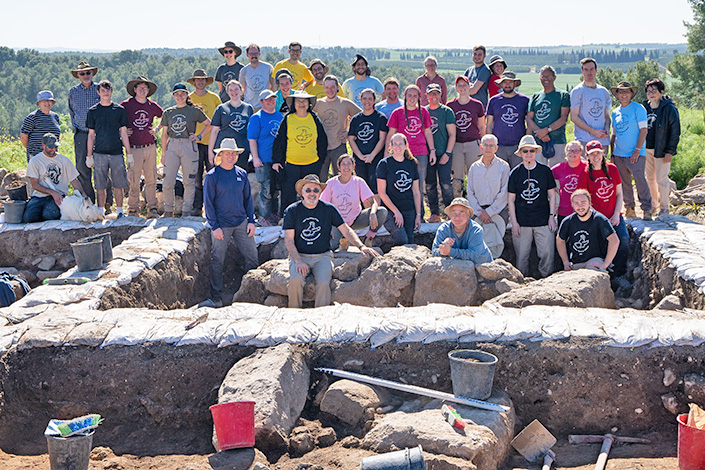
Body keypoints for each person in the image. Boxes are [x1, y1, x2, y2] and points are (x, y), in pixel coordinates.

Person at [283, 174, 379, 308]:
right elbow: (288, 239)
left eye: (315, 190)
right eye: (308, 190)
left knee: (323, 282)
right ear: (302, 192)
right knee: (295, 280)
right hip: (300, 255)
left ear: (320, 192)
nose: (312, 193)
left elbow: (346, 230)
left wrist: (361, 246)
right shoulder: (292, 211)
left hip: (323, 256)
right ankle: (293, 313)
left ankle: (321, 316)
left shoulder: (328, 209)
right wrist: (298, 260)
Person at [203, 138, 258, 308]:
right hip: (222, 225)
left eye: (233, 153)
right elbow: (208, 203)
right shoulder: (212, 176)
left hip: (241, 222)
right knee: (217, 259)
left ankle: (251, 292)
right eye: (227, 153)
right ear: (221, 154)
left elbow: (248, 199)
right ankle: (216, 296)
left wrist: (251, 220)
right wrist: (215, 226)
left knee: (252, 256)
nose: (230, 156)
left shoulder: (241, 174)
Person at [577, 140, 630, 286]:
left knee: (623, 241)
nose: (595, 156)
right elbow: (584, 200)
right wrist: (599, 219)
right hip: (596, 218)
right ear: (587, 156)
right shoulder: (585, 174)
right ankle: (602, 276)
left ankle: (619, 274)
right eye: (592, 154)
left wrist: (616, 213)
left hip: (614, 215)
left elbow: (619, 194)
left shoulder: (612, 169)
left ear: (602, 153)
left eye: (598, 153)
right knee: (599, 247)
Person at [507, 135, 558, 278]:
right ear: (521, 153)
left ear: (536, 152)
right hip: (522, 222)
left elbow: (552, 195)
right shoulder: (515, 173)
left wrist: (551, 217)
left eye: (531, 151)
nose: (528, 154)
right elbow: (511, 199)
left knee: (547, 254)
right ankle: (521, 284)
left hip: (543, 219)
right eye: (525, 151)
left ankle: (546, 280)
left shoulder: (545, 171)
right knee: (521, 257)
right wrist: (514, 222)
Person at [160, 83, 211, 217]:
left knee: (189, 181)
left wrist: (199, 136)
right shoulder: (168, 112)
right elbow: (164, 134)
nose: (180, 96)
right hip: (172, 145)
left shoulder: (193, 111)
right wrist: (164, 153)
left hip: (189, 145)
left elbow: (209, 124)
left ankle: (186, 211)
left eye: (182, 93)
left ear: (187, 94)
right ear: (173, 96)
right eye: (177, 94)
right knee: (167, 181)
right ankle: (168, 210)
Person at [272, 91, 328, 211]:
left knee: (311, 193)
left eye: (304, 101)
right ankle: (286, 218)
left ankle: (311, 215)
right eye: (298, 101)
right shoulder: (288, 118)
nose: (301, 103)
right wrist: (277, 161)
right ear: (293, 103)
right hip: (291, 164)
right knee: (288, 193)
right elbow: (279, 141)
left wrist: (320, 160)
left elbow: (322, 140)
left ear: (309, 103)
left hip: (312, 163)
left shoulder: (314, 118)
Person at [320, 154, 388, 249]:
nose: (346, 166)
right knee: (331, 247)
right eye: (343, 164)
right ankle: (343, 239)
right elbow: (322, 206)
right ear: (338, 167)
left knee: (382, 212)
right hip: (337, 223)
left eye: (349, 164)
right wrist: (327, 226)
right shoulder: (331, 183)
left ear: (353, 166)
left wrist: (372, 213)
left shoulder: (358, 182)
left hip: (355, 219)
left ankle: (368, 238)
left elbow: (373, 201)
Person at [85, 80, 131, 218]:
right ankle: (100, 212)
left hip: (117, 152)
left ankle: (120, 211)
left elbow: (123, 132)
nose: (106, 93)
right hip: (99, 152)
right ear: (98, 92)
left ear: (112, 91)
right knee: (100, 185)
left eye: (108, 90)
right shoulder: (93, 111)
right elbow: (91, 134)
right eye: (103, 90)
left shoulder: (119, 110)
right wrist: (89, 155)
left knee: (119, 184)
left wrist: (129, 153)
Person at [120, 76, 163, 218]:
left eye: (145, 88)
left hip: (150, 146)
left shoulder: (152, 105)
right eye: (140, 88)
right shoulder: (126, 105)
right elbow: (116, 119)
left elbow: (165, 116)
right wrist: (124, 130)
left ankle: (152, 208)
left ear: (148, 91)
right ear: (134, 90)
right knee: (134, 179)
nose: (142, 90)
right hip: (133, 148)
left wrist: (157, 129)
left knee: (151, 178)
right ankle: (133, 208)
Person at [387, 85, 435, 209]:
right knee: (403, 183)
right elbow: (391, 134)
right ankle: (406, 211)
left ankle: (420, 213)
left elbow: (428, 132)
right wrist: (388, 152)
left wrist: (432, 151)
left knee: (418, 184)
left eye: (415, 96)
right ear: (405, 96)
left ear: (419, 97)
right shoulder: (397, 113)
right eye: (409, 95)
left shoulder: (423, 111)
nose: (412, 98)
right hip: (402, 153)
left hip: (421, 152)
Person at [610, 81, 652, 220]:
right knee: (624, 182)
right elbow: (614, 134)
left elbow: (644, 130)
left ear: (631, 94)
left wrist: (637, 150)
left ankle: (647, 208)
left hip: (636, 153)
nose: (623, 95)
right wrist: (612, 154)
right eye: (621, 92)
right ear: (617, 94)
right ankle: (629, 208)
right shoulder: (615, 112)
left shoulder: (638, 108)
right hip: (619, 154)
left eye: (626, 92)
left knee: (640, 180)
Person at [23, 134, 87, 223]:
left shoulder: (64, 160)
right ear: (43, 145)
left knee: (50, 215)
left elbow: (74, 181)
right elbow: (34, 184)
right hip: (39, 196)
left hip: (59, 197)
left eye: (55, 147)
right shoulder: (35, 161)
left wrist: (84, 197)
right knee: (29, 218)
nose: (54, 149)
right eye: (50, 147)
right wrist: (52, 192)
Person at [466, 134, 510, 259]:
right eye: (485, 145)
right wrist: (480, 213)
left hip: (498, 211)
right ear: (481, 147)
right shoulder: (474, 168)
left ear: (496, 148)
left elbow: (504, 192)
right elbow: (470, 192)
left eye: (491, 146)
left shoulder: (503, 166)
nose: (488, 148)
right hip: (477, 211)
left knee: (495, 244)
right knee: (477, 244)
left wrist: (489, 212)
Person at [643, 78, 681, 217]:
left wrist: (670, 151)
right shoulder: (644, 108)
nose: (651, 94)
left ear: (661, 91)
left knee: (662, 179)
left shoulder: (669, 108)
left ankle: (664, 209)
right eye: (648, 91)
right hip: (646, 149)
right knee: (650, 179)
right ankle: (654, 206)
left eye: (654, 91)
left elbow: (675, 131)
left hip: (662, 149)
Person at [557, 190, 619, 272]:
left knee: (593, 269)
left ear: (589, 202)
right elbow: (560, 240)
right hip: (576, 263)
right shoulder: (568, 221)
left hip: (595, 261)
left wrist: (605, 264)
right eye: (576, 203)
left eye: (583, 202)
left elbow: (614, 240)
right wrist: (565, 262)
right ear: (572, 205)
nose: (580, 206)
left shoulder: (599, 219)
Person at [377, 133, 422, 245]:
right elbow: (381, 193)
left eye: (400, 144)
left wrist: (418, 215)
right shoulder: (384, 164)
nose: (398, 147)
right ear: (390, 147)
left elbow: (416, 192)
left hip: (409, 209)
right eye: (395, 144)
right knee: (401, 239)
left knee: (410, 241)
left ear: (406, 145)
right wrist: (396, 212)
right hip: (390, 211)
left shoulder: (412, 163)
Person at [313, 75, 361, 181]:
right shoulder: (318, 104)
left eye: (332, 87)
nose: (330, 90)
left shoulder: (345, 103)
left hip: (339, 145)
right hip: (321, 146)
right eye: (327, 87)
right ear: (324, 88)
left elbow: (361, 118)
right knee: (321, 178)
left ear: (337, 87)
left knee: (342, 177)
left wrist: (349, 133)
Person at [187, 69, 222, 215]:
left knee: (213, 175)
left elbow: (218, 119)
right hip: (193, 143)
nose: (200, 82)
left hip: (211, 142)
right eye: (197, 80)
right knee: (196, 176)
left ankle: (214, 206)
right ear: (194, 82)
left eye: (203, 80)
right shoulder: (188, 98)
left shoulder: (214, 98)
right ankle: (197, 207)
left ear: (206, 82)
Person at [248, 89, 284, 226]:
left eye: (273, 99)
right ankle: (263, 217)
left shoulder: (279, 116)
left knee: (276, 190)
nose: (271, 102)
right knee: (266, 189)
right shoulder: (257, 117)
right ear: (261, 102)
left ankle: (274, 215)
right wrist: (255, 158)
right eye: (267, 99)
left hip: (277, 160)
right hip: (263, 159)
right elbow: (252, 140)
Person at [447, 75, 485, 197]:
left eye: (465, 85)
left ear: (469, 87)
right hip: (457, 145)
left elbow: (482, 126)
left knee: (475, 175)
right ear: (456, 88)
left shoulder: (477, 105)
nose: (462, 87)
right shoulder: (450, 105)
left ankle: (476, 204)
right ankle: (458, 203)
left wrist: (483, 145)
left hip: (473, 144)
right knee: (457, 178)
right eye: (459, 85)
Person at [68, 61, 100, 202]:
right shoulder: (73, 92)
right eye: (82, 73)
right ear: (78, 76)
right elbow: (71, 112)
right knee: (82, 169)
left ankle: (105, 202)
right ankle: (90, 201)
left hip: (99, 135)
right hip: (81, 134)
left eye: (88, 72)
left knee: (102, 167)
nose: (86, 75)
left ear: (92, 74)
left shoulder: (100, 89)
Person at [527, 65, 571, 165]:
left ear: (554, 78)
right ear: (540, 78)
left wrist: (546, 130)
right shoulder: (535, 96)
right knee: (539, 175)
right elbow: (529, 118)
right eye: (543, 77)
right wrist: (540, 134)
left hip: (557, 141)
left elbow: (564, 118)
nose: (545, 79)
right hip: (538, 142)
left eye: (548, 76)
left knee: (556, 176)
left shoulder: (563, 95)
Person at [425, 83, 456, 223]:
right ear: (426, 96)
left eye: (436, 93)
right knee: (430, 184)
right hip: (427, 154)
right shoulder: (423, 111)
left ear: (440, 94)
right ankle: (435, 214)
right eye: (431, 93)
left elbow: (452, 134)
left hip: (444, 152)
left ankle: (450, 213)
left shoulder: (446, 111)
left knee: (445, 184)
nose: (434, 96)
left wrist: (447, 153)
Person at [348, 88, 388, 192]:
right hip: (359, 159)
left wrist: (372, 155)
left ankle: (377, 208)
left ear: (374, 100)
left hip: (376, 158)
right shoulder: (355, 119)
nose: (367, 101)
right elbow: (351, 139)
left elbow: (382, 139)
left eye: (370, 99)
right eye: (364, 98)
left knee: (375, 187)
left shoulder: (380, 118)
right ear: (360, 100)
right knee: (361, 187)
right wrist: (360, 156)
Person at [486, 71, 529, 169]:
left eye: (510, 82)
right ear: (501, 84)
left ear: (514, 84)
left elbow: (529, 123)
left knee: (518, 176)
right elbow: (489, 124)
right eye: (505, 82)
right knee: (499, 176)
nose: (507, 85)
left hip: (518, 146)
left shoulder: (524, 100)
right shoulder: (493, 101)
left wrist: (526, 143)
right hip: (499, 146)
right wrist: (490, 144)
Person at [208, 80, 254, 170]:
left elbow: (252, 132)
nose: (234, 92)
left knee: (240, 176)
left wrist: (253, 153)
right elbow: (214, 131)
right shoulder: (221, 108)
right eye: (231, 90)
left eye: (236, 89)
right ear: (228, 92)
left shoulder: (248, 108)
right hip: (223, 149)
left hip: (242, 149)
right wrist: (210, 151)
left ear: (241, 91)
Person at [431, 197, 492, 263]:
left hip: (482, 266)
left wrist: (450, 251)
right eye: (454, 213)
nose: (457, 217)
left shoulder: (476, 230)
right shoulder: (443, 229)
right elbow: (434, 251)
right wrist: (443, 247)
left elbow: (473, 255)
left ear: (468, 214)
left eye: (461, 213)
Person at [570, 58, 611, 153]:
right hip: (584, 140)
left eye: (591, 69)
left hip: (602, 141)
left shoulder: (604, 92)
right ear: (582, 71)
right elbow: (574, 117)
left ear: (596, 70)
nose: (589, 73)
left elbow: (606, 116)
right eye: (586, 70)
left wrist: (607, 129)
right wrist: (593, 131)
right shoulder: (577, 91)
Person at [552, 140, 588, 225]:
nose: (573, 154)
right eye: (570, 151)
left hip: (584, 209)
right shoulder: (559, 168)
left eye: (576, 151)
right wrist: (557, 190)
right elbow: (546, 177)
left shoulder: (587, 166)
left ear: (581, 153)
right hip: (564, 209)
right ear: (566, 152)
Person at [21, 90, 61, 162]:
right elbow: (24, 136)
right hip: (36, 156)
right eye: (44, 101)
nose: (47, 103)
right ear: (39, 103)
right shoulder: (32, 117)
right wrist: (31, 151)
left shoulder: (55, 116)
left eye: (49, 101)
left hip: (52, 155)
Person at [239, 43, 274, 110]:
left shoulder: (268, 68)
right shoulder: (244, 71)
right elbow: (243, 89)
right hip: (249, 106)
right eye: (251, 54)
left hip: (265, 105)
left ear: (259, 54)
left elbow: (273, 86)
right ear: (247, 55)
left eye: (256, 53)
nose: (254, 56)